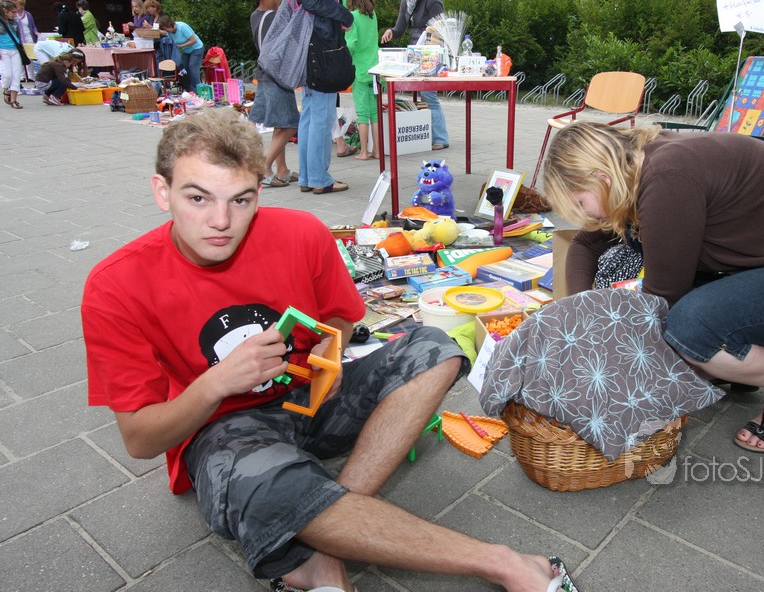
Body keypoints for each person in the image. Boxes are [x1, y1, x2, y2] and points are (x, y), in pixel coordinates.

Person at [81, 109, 575, 592]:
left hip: (312, 399)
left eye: (241, 199)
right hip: (221, 428)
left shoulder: (301, 232)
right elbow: (140, 440)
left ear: (259, 191)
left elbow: (340, 318)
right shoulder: (116, 286)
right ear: (162, 191)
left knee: (436, 347)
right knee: (263, 485)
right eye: (198, 198)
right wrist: (218, 382)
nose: (221, 221)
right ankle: (500, 562)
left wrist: (330, 352)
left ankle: (323, 534)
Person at [542, 122, 764, 454]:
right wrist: (579, 311)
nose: (588, 216)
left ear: (601, 176)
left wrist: (608, 370)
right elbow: (586, 243)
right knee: (684, 320)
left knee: (689, 327)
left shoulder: (667, 180)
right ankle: (735, 365)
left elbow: (660, 304)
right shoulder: (642, 163)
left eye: (580, 203)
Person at [295, 0, 353, 194]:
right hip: (322, 46)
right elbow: (311, 0)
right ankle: (319, 178)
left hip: (313, 45)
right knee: (322, 115)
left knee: (311, 115)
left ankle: (308, 177)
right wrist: (343, 15)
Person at [381, 0, 448, 151]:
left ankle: (440, 137)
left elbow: (442, 25)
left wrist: (430, 39)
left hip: (430, 51)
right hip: (415, 50)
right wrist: (391, 31)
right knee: (423, 93)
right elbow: (400, 28)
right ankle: (428, 135)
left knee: (428, 94)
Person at [247, 0, 299, 188]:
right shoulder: (273, 18)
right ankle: (264, 167)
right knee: (290, 124)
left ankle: (282, 169)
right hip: (277, 77)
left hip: (265, 75)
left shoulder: (255, 15)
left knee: (280, 122)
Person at [345, 0, 381, 161]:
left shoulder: (352, 17)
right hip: (374, 70)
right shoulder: (373, 16)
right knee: (375, 113)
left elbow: (351, 44)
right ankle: (377, 150)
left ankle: (364, 151)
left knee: (362, 114)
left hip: (359, 71)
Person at [156, 14, 204, 92]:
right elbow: (164, 34)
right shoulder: (170, 32)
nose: (166, 31)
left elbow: (194, 40)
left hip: (196, 48)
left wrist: (181, 46)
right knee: (183, 69)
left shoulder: (182, 27)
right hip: (186, 50)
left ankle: (197, 89)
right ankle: (187, 88)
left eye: (165, 29)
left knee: (192, 67)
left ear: (169, 25)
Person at [0, 0, 24, 109]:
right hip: (3, 50)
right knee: (7, 75)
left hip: (15, 50)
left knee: (16, 75)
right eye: (12, 12)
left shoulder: (14, 22)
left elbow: (18, 36)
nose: (14, 14)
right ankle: (6, 89)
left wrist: (22, 47)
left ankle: (14, 100)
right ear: (5, 11)